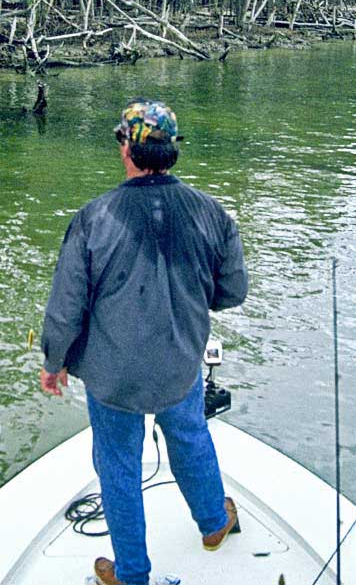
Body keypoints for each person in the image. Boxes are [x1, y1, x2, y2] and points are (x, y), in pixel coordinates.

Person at [39, 99, 248, 585]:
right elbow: (232, 292)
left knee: (118, 466)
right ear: (172, 151)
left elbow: (66, 308)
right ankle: (216, 524)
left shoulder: (94, 218)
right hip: (179, 366)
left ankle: (131, 574)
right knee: (191, 436)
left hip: (113, 378)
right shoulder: (212, 213)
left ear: (126, 149)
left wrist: (55, 361)